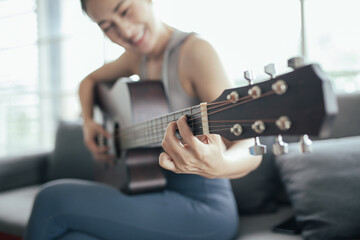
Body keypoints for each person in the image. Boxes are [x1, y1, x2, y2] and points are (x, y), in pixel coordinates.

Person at [24, 0, 262, 239]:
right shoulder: (136, 58)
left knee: (51, 200)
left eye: (125, 11)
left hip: (203, 207)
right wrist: (88, 123)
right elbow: (88, 82)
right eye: (107, 26)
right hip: (151, 189)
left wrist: (221, 166)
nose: (125, 31)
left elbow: (252, 146)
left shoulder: (195, 52)